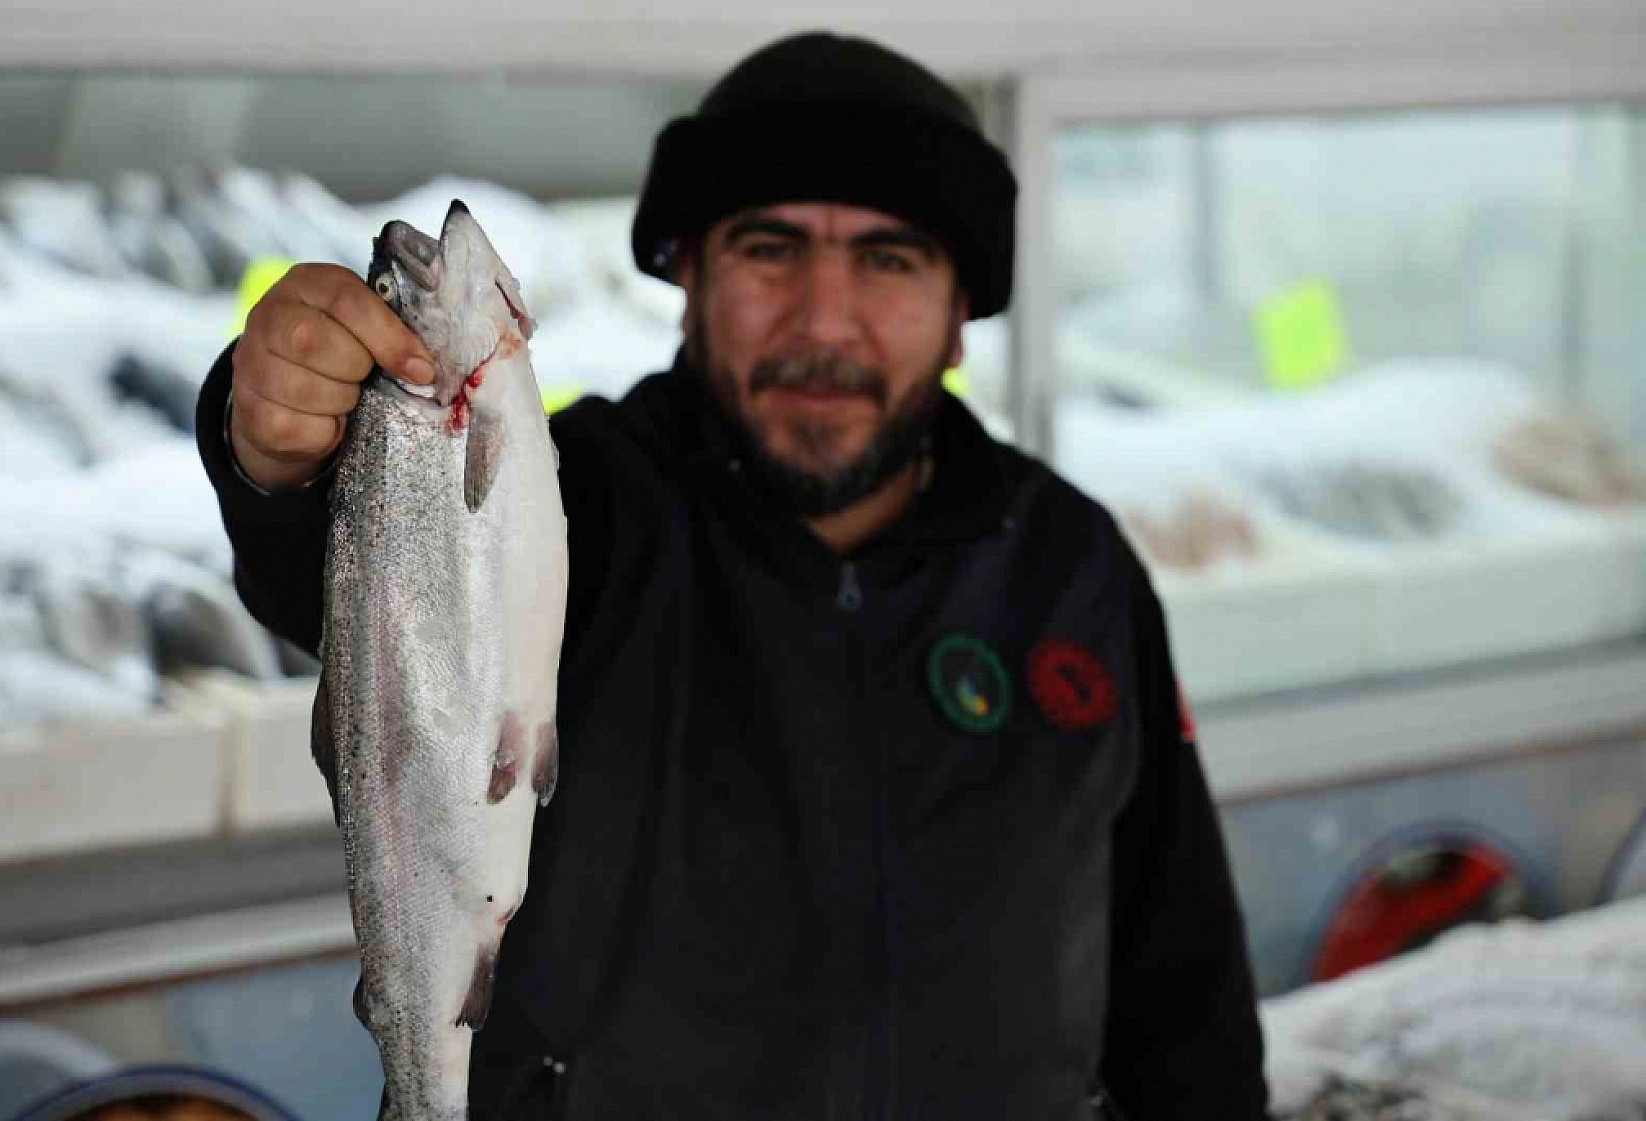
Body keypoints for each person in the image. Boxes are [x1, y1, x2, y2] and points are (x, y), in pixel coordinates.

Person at [195, 30, 1270, 1121]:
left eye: (889, 258)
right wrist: (279, 451)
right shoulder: (582, 513)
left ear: (960, 312)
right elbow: (359, 582)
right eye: (769, 248)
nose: (822, 318)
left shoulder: (1066, 564)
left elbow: (1181, 992)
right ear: (687, 274)